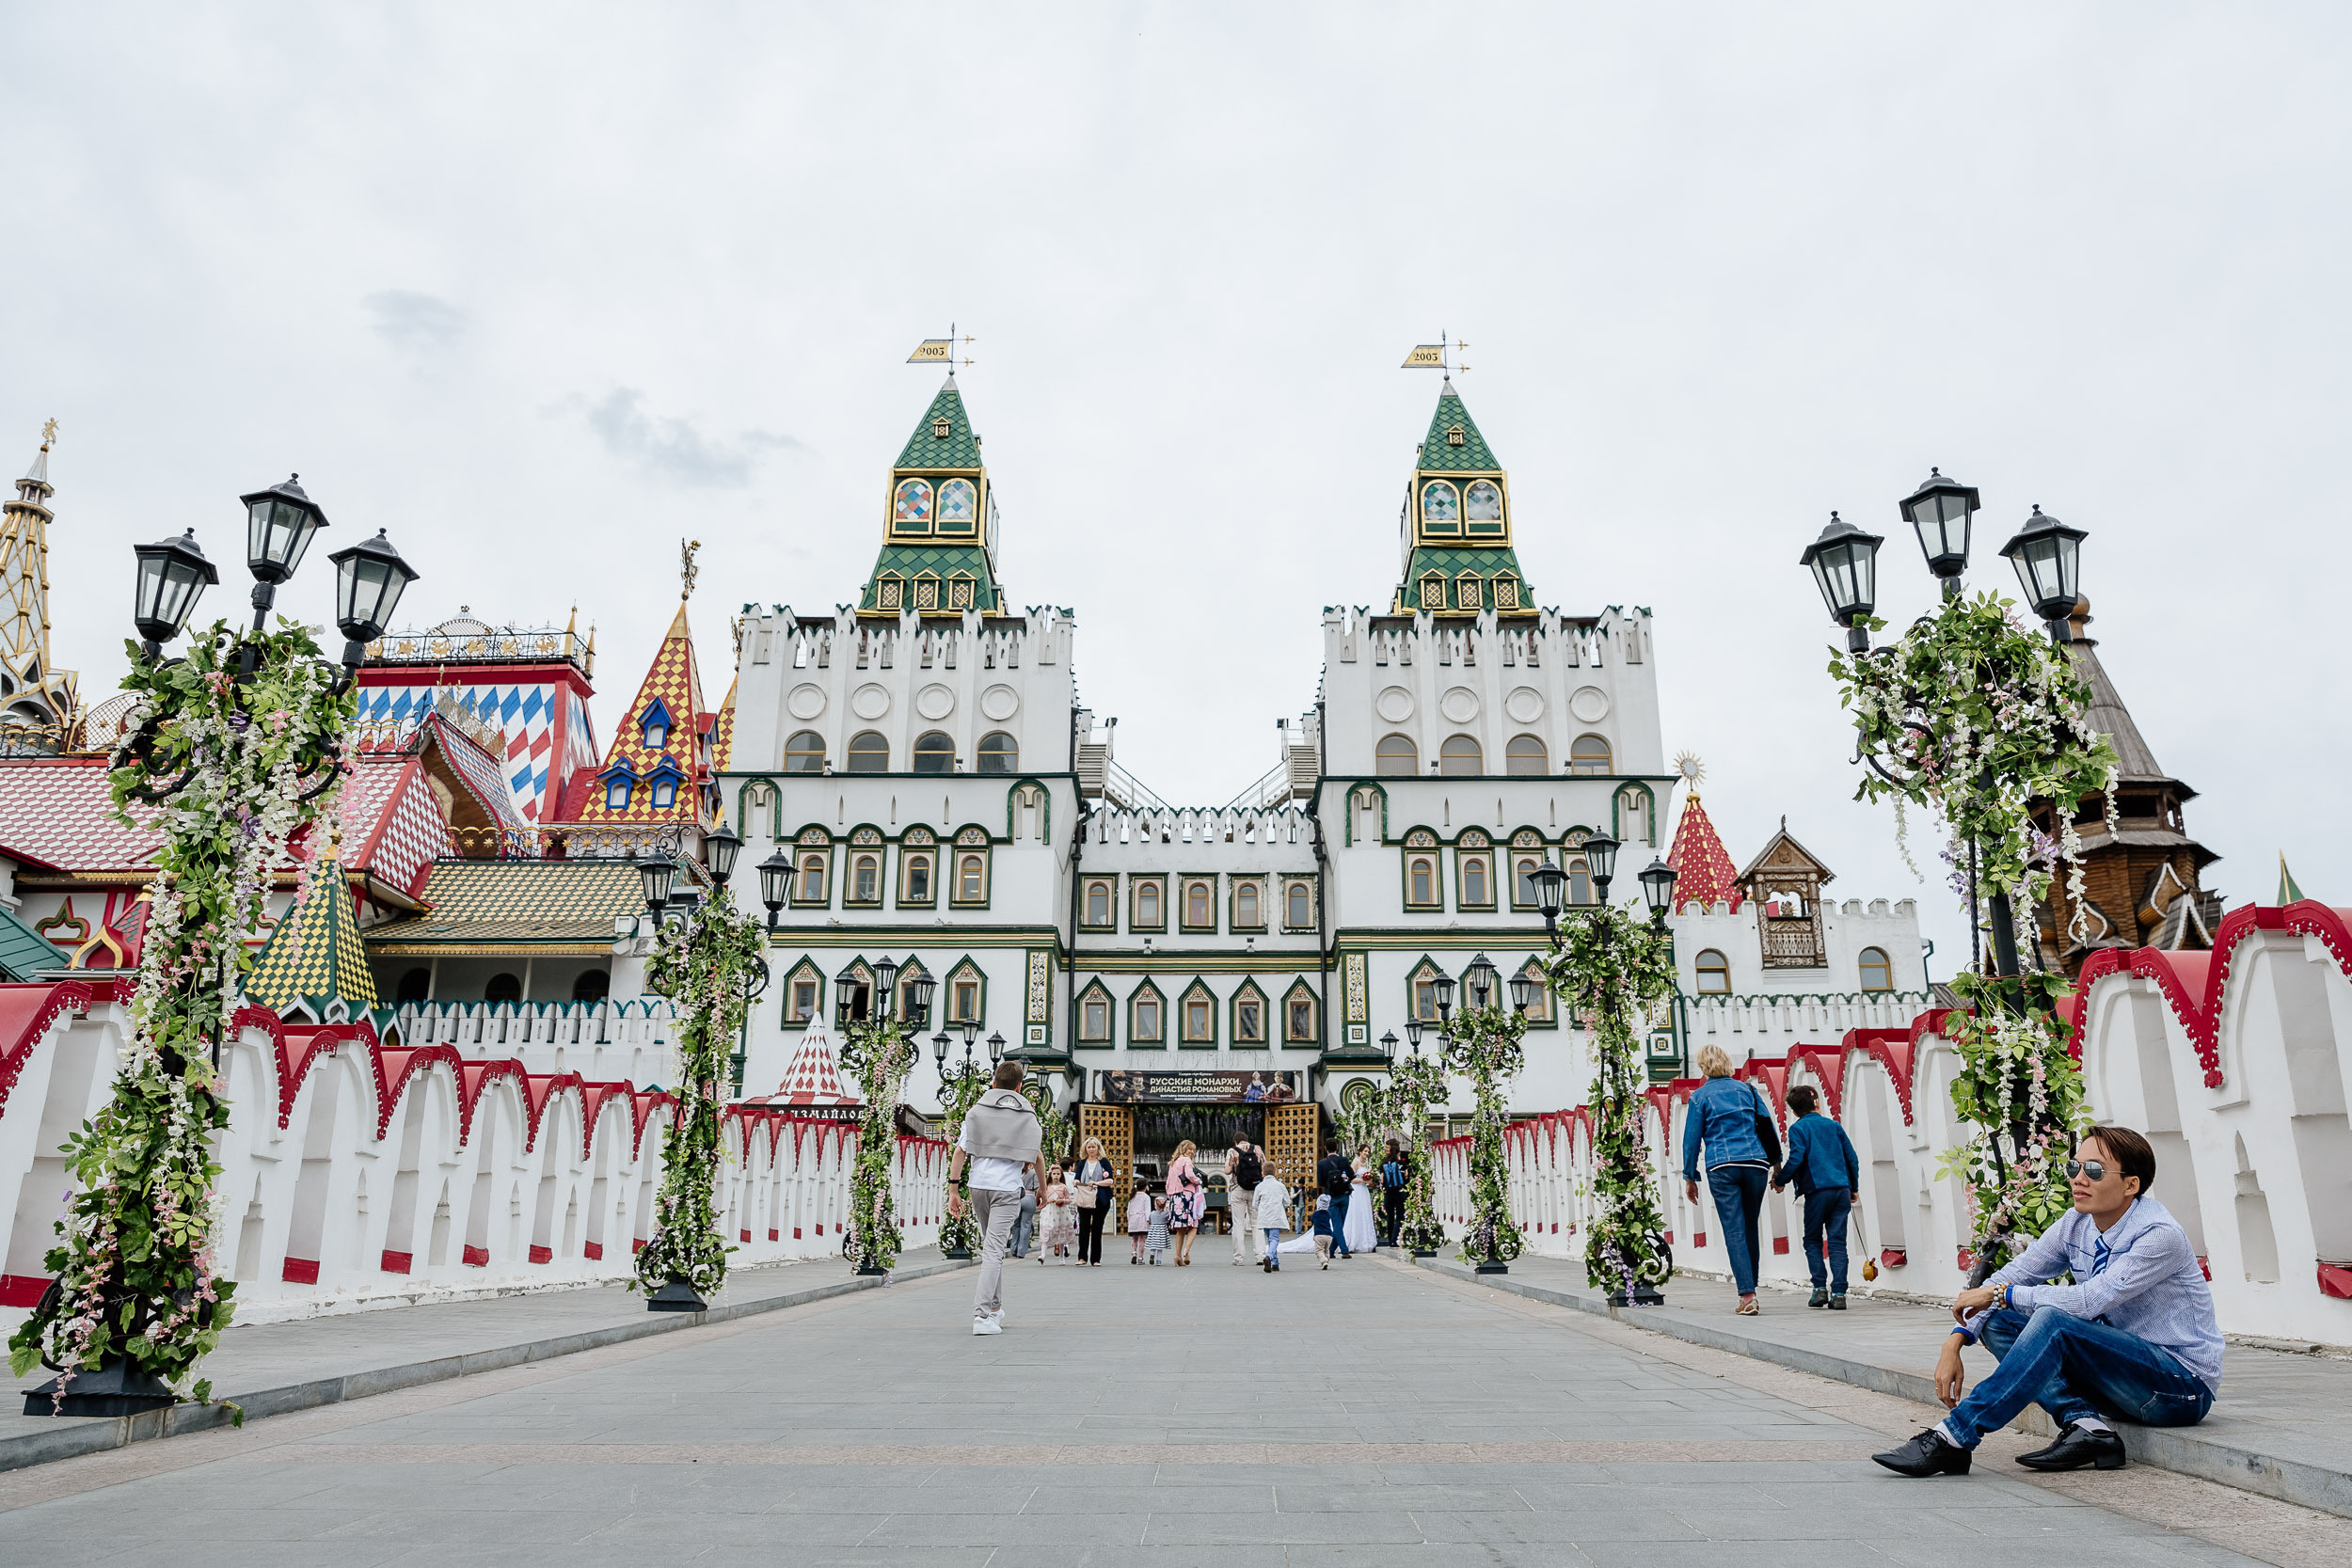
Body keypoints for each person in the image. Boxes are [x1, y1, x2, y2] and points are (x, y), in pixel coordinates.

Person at [1874, 1126, 2222, 1479]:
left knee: (2051, 1320)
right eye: (2075, 1167)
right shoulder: (2076, 1222)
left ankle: (1955, 1436)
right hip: (2119, 1378)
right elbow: (2013, 1275)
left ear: (2131, 1185)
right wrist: (1957, 1339)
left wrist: (2000, 1294)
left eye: (2095, 1171)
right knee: (1999, 1322)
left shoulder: (2158, 1235)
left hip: (2180, 1389)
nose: (2079, 1179)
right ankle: (2087, 1427)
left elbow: (2088, 1300)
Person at [946, 1059, 1045, 1337]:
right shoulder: (1027, 1117)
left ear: (993, 1084)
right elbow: (1037, 1156)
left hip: (978, 1187)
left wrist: (954, 1190)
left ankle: (994, 1309)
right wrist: (1043, 1190)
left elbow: (959, 1153)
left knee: (992, 1248)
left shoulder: (976, 1113)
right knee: (993, 1251)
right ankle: (981, 1316)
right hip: (1005, 1189)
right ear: (1019, 1087)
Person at [1680, 1043, 1775, 1315]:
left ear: (1703, 1066)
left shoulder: (1700, 1097)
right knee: (1749, 1227)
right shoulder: (1748, 1090)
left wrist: (1690, 1176)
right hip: (1756, 1162)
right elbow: (1766, 1126)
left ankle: (1748, 1295)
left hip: (1723, 1165)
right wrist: (1776, 1163)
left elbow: (1692, 1141)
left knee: (1734, 1229)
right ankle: (1751, 1288)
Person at [1772, 1084, 1860, 1307]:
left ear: (1794, 1111)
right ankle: (1839, 1293)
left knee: (1812, 1240)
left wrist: (1780, 1180)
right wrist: (1854, 1187)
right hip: (1841, 1189)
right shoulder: (1834, 1126)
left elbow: (1797, 1157)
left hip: (1816, 1190)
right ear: (1817, 1103)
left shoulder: (1797, 1129)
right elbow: (1852, 1159)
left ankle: (1819, 1288)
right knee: (1837, 1242)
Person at [1072, 1138, 1115, 1267]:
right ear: (1085, 1149)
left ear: (1098, 1148)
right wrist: (1076, 1182)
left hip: (1100, 1199)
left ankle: (1095, 1259)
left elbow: (1110, 1180)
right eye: (1089, 1147)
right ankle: (1082, 1257)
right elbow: (1077, 1178)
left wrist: (1096, 1183)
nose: (1091, 1149)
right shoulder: (1082, 1163)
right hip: (1085, 1198)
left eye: (1093, 1147)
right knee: (1084, 1228)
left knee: (1097, 1228)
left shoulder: (1104, 1162)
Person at [1167, 1140, 1204, 1266]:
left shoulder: (1173, 1163)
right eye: (1190, 1149)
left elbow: (1167, 1184)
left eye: (1193, 1150)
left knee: (1180, 1230)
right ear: (1183, 1149)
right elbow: (1189, 1175)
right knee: (1193, 1225)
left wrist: (1171, 1196)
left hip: (1175, 1197)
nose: (1192, 1152)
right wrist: (1197, 1180)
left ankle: (1177, 1256)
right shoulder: (1187, 1161)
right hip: (1186, 1195)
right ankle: (1186, 1250)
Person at [1228, 1139, 1263, 1266]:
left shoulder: (1232, 1150)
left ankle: (1239, 1258)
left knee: (1238, 1223)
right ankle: (1260, 1256)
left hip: (1237, 1189)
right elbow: (1263, 1168)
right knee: (1257, 1223)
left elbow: (1227, 1171)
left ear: (1235, 1141)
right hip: (1254, 1189)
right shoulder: (1257, 1148)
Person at [1316, 1146, 1355, 1259]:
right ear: (1337, 1147)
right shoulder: (1344, 1160)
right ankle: (1338, 1250)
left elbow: (1320, 1181)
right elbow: (1351, 1175)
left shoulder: (1322, 1163)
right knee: (1340, 1224)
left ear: (1325, 1148)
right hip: (1344, 1196)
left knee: (1337, 1224)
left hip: (1331, 1197)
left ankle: (1340, 1250)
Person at [1254, 1165, 1292, 1271]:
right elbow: (1287, 1202)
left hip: (1264, 1217)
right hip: (1276, 1216)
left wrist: (1261, 1210)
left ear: (1263, 1173)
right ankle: (1269, 1257)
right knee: (1274, 1239)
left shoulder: (1259, 1187)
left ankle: (1275, 1263)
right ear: (1275, 1173)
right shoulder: (1280, 1186)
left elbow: (1255, 1204)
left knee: (1269, 1239)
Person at [1343, 1144, 1379, 1255]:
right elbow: (1350, 1179)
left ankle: (1364, 1240)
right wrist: (1364, 1181)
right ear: (1360, 1152)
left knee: (1364, 1213)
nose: (1366, 1154)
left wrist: (1369, 1180)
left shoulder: (1364, 1164)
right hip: (1357, 1190)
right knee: (1356, 1213)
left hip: (1363, 1191)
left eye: (1368, 1152)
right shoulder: (1356, 1162)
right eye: (1365, 1151)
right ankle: (1353, 1241)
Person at [1038, 1165, 1075, 1260]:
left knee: (1061, 1232)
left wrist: (1062, 1200)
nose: (1056, 1176)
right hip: (1048, 1211)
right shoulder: (1047, 1187)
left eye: (1058, 1174)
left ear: (1061, 1175)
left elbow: (1069, 1199)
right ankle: (1043, 1255)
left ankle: (1062, 1257)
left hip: (1061, 1212)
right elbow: (1043, 1198)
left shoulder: (1063, 1187)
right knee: (1046, 1229)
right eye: (1054, 1174)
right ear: (1050, 1175)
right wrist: (1048, 1200)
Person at [1379, 1139, 1407, 1247]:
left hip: (1388, 1193)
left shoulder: (1384, 1163)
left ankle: (1390, 1238)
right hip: (1400, 1193)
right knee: (1400, 1216)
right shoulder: (1402, 1163)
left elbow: (1382, 1179)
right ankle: (1395, 1240)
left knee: (1390, 1217)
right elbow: (1406, 1176)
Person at [1010, 1162, 1038, 1259]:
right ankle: (1021, 1251)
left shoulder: (1016, 1171)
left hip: (1016, 1198)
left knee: (1016, 1225)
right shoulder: (1033, 1172)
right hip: (1029, 1197)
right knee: (1025, 1226)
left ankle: (1013, 1249)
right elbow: (1037, 1188)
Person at [1127, 1182, 1152, 1263]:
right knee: (1142, 1239)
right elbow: (1147, 1210)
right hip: (1142, 1220)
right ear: (1145, 1187)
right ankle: (1140, 1258)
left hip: (1133, 1219)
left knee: (1134, 1238)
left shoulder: (1132, 1196)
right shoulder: (1146, 1197)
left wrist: (1129, 1220)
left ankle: (1134, 1253)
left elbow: (1128, 1210)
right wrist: (1148, 1220)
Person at [1146, 1191, 1170, 1264]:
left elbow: (1149, 1220)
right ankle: (1158, 1261)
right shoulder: (1166, 1214)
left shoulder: (1152, 1213)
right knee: (1160, 1247)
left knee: (1153, 1244)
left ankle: (1152, 1254)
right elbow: (1168, 1220)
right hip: (1162, 1231)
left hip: (1153, 1231)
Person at [1311, 1193, 1335, 1268]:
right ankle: (1326, 1260)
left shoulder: (1316, 1213)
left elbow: (1311, 1220)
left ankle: (1324, 1261)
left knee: (1319, 1250)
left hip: (1319, 1235)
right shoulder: (1328, 1214)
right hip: (1329, 1235)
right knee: (1326, 1249)